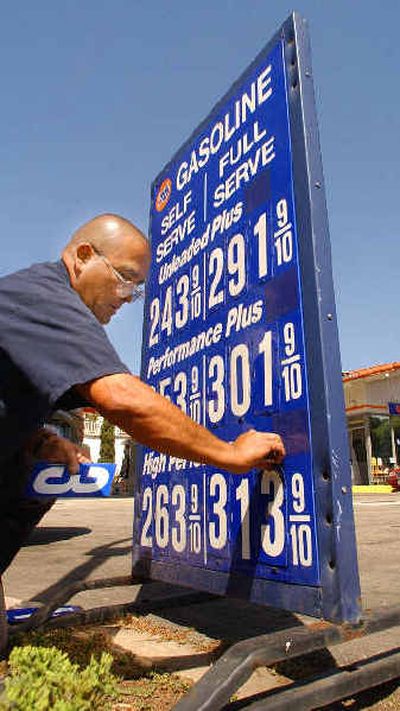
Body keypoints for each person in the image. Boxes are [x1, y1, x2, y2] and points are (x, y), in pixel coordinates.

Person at [0, 214, 285, 646]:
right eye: (124, 280)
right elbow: (124, 399)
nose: (128, 298)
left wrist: (38, 440)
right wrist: (229, 454)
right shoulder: (48, 298)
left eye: (137, 288)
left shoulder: (31, 303)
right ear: (81, 257)